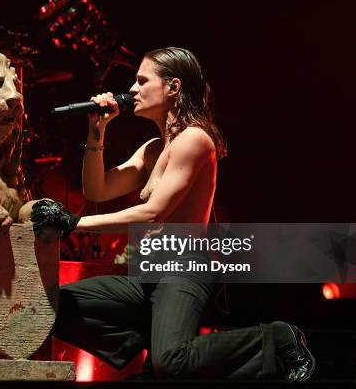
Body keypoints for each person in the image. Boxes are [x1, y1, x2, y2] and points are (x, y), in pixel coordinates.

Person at [31, 47, 315, 381]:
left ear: (173, 88)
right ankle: (150, 339)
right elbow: (97, 191)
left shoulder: (194, 139)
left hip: (184, 269)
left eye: (141, 81)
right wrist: (98, 131)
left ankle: (275, 337)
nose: (132, 90)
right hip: (148, 273)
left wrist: (75, 224)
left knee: (170, 363)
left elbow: (154, 213)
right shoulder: (154, 149)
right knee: (51, 307)